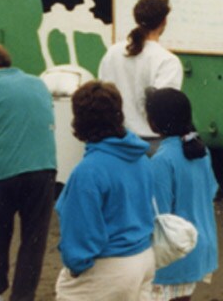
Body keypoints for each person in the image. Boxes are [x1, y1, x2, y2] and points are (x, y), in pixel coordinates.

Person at [0, 43, 57, 301]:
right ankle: (23, 296)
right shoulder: (38, 83)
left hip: (2, 171)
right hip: (43, 167)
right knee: (34, 238)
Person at [55, 81, 156, 300]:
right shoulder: (140, 157)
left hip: (110, 268)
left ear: (79, 120)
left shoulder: (88, 170)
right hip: (143, 258)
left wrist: (76, 266)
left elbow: (81, 231)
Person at [144, 88, 219, 301]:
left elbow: (159, 216)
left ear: (153, 122)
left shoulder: (161, 161)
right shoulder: (201, 152)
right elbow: (211, 191)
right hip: (198, 248)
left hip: (172, 255)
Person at [98, 0, 183, 149]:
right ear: (164, 21)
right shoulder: (168, 61)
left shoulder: (112, 53)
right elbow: (164, 111)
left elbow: (102, 95)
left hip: (115, 141)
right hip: (150, 144)